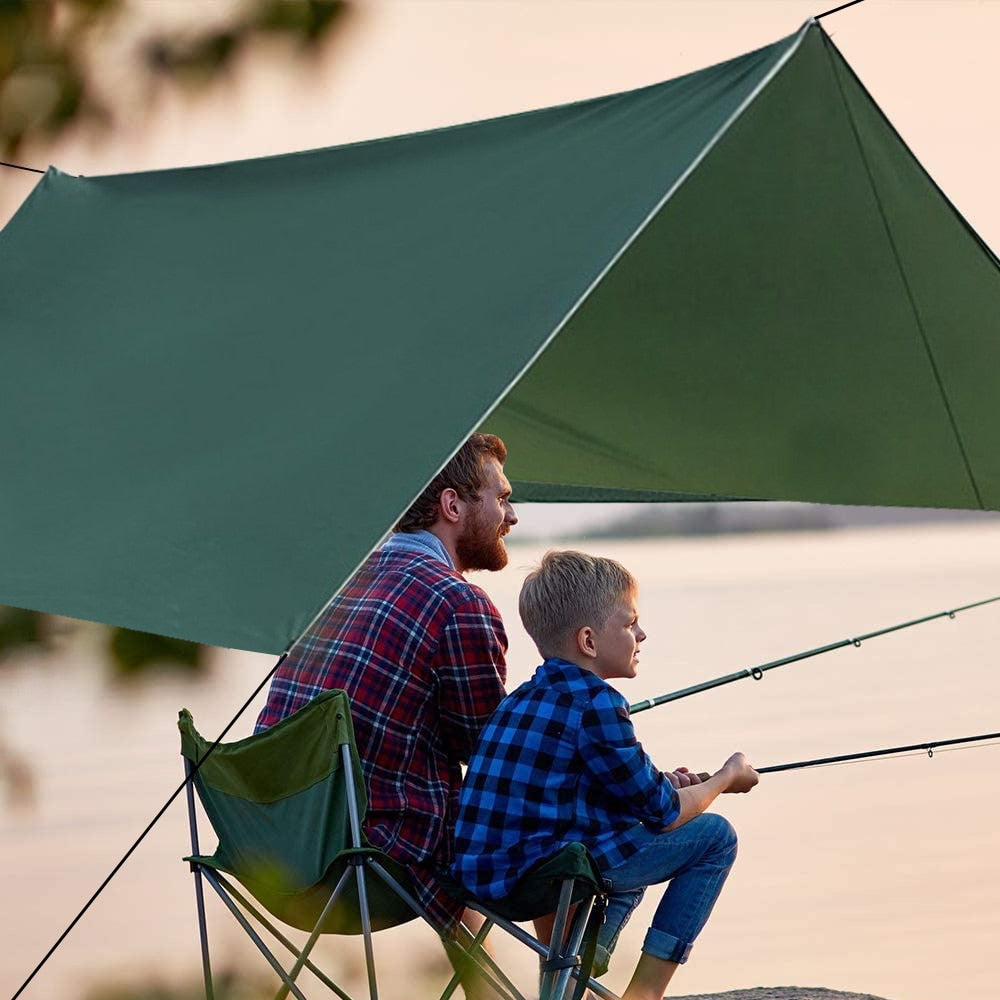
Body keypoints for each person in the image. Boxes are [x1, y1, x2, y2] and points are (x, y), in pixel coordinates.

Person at [451, 550, 759, 1000]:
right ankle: (643, 993)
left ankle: (590, 960)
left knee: (628, 824)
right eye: (630, 623)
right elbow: (666, 811)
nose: (642, 633)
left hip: (483, 879)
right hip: (547, 881)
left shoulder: (518, 699)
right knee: (714, 837)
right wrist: (725, 779)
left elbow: (589, 784)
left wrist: (663, 781)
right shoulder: (597, 704)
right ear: (589, 642)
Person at [254, 432, 517, 944]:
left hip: (274, 854)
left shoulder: (337, 581)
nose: (512, 517)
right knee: (551, 814)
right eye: (502, 498)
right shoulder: (459, 603)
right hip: (365, 866)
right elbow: (490, 758)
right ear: (452, 505)